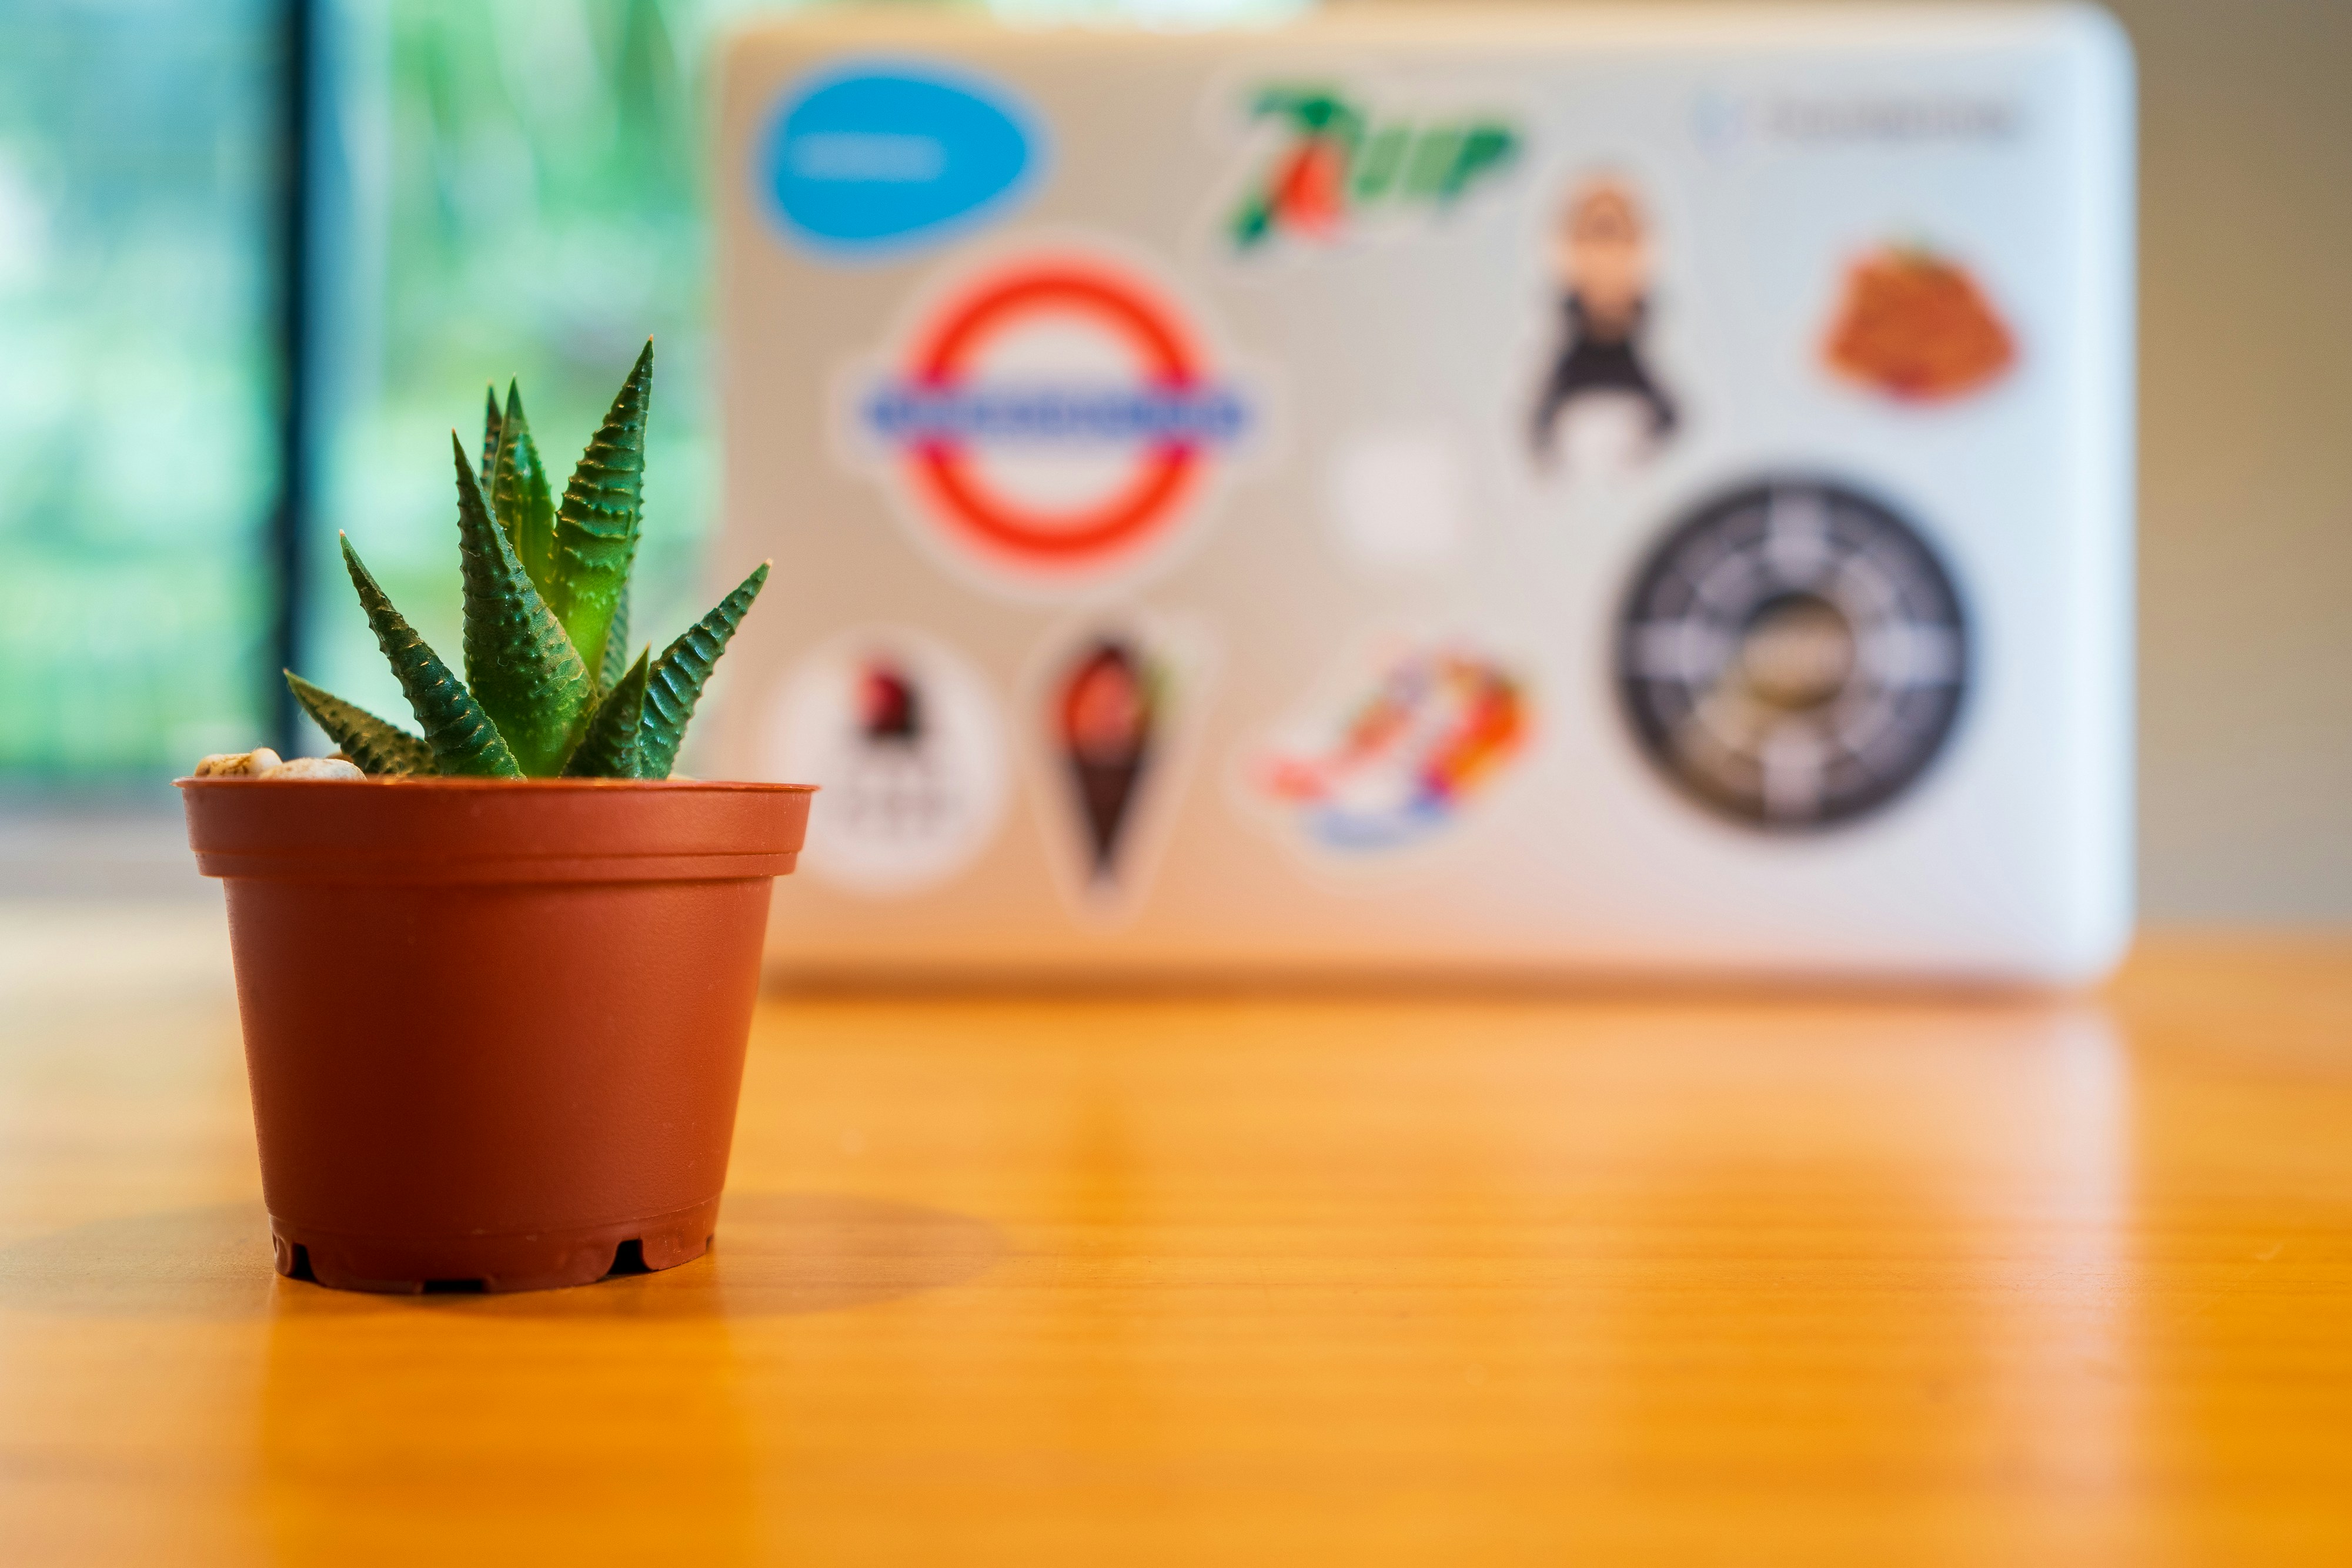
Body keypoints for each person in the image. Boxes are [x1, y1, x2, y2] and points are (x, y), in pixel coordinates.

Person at [1528, 177, 1678, 473]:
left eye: (1618, 234)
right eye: (1594, 234)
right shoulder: (1543, 413)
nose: (1607, 253)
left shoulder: (1672, 405)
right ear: (1566, 250)